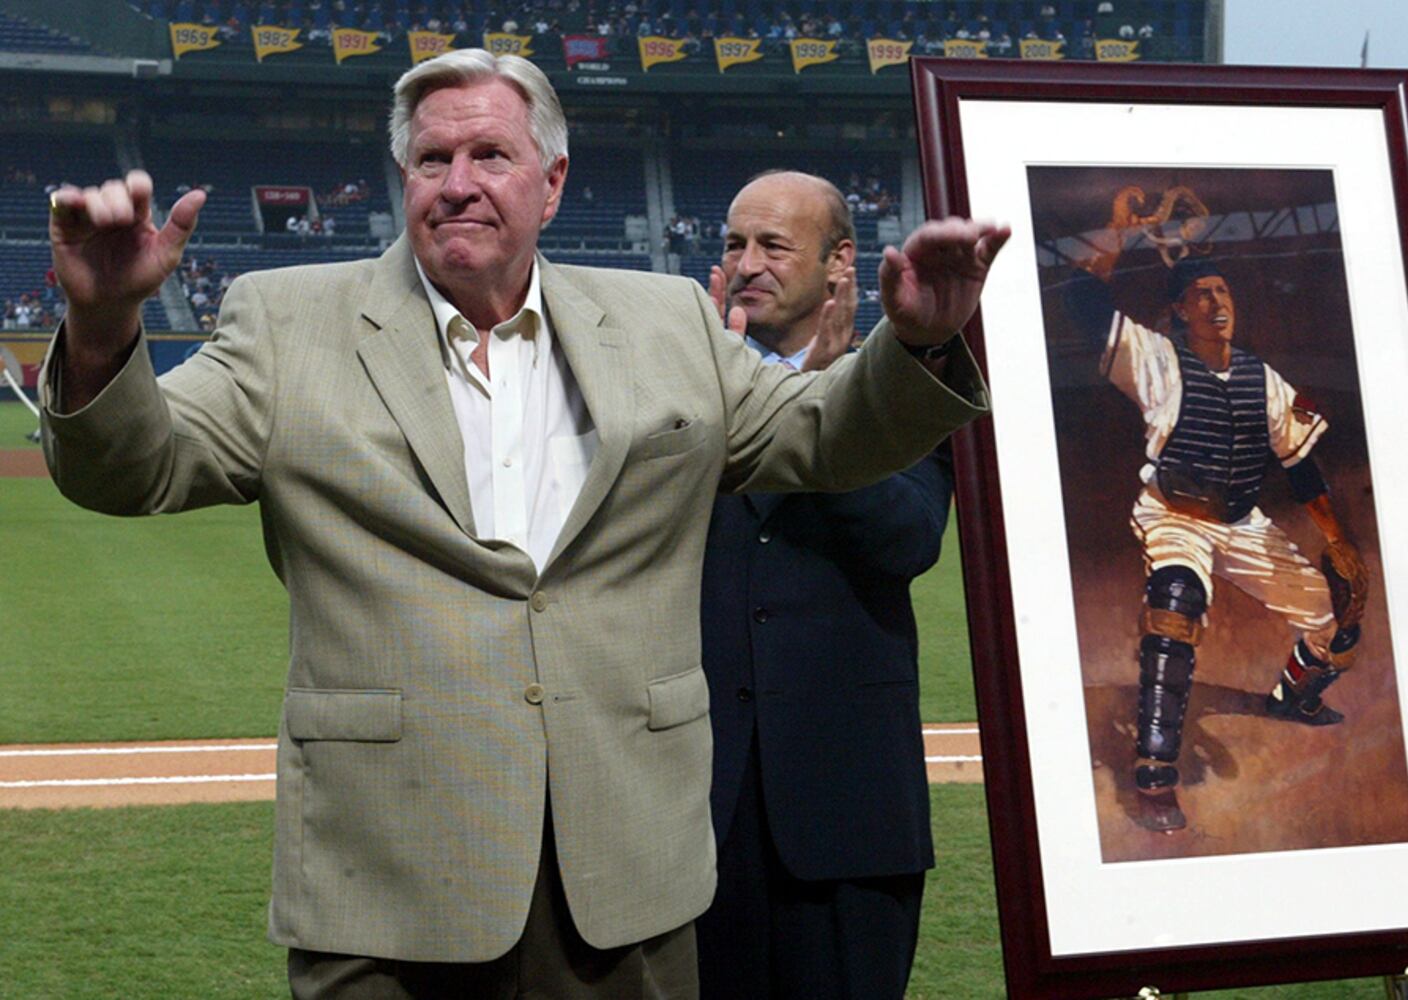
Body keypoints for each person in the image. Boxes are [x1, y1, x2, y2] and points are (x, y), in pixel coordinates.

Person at [40, 49, 1008, 998]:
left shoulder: (667, 320)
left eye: (490, 156)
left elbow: (824, 433)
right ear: (404, 177)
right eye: (432, 159)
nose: (457, 183)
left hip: (624, 877)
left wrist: (916, 342)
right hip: (389, 883)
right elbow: (136, 466)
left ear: (552, 184)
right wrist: (103, 329)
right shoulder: (287, 322)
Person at [695, 171, 949, 999]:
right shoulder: (683, 387)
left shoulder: (903, 385)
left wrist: (823, 403)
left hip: (850, 817)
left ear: (840, 262)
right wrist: (717, 383)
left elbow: (907, 540)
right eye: (734, 244)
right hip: (698, 815)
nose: (747, 264)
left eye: (773, 245)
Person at [1065, 200, 1368, 834]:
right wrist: (1119, 229)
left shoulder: (1263, 378)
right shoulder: (1156, 358)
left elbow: (1301, 466)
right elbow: (1084, 304)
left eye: (1222, 291)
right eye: (1201, 294)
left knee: (1337, 620)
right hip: (1174, 514)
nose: (1215, 302)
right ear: (1180, 309)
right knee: (1176, 604)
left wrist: (1337, 540)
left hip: (1240, 520)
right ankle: (1154, 772)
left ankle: (1292, 699)